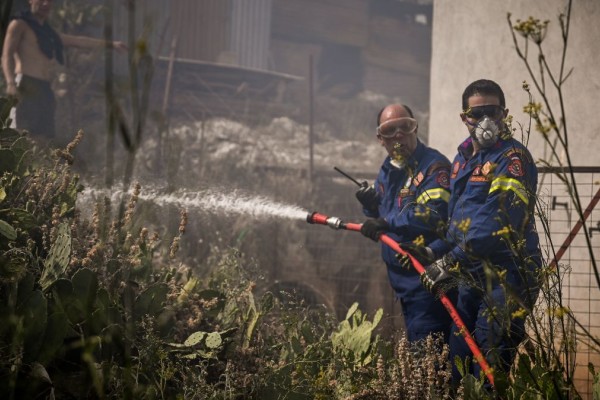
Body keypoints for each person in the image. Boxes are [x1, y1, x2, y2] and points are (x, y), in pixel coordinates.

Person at [408, 79, 542, 384]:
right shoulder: (462, 160)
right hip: (471, 276)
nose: (484, 121)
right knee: (459, 365)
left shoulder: (512, 159)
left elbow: (496, 223)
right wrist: (434, 250)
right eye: (475, 113)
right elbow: (461, 222)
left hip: (507, 278)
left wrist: (448, 263)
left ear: (504, 114)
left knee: (489, 368)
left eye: (492, 112)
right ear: (463, 117)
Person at [356, 103, 453, 343]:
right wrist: (370, 205)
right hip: (401, 281)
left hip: (427, 278)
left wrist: (385, 221)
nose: (399, 135)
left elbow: (431, 214)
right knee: (420, 350)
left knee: (428, 352)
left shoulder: (434, 167)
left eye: (405, 127)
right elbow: (383, 209)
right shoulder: (389, 168)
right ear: (380, 138)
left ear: (415, 129)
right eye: (390, 130)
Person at [2, 0, 127, 142]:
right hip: (26, 84)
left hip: (44, 88)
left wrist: (111, 44)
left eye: (49, 1)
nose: (45, 4)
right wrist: (10, 82)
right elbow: (6, 54)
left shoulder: (49, 33)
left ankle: (38, 164)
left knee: (42, 139)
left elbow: (78, 41)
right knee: (20, 136)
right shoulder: (19, 24)